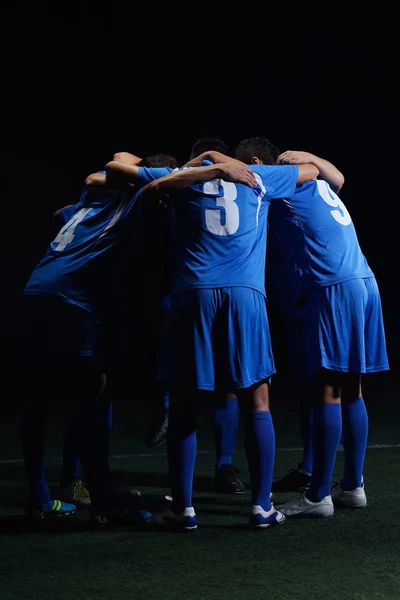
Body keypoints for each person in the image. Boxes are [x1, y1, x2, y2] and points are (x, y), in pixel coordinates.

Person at [107, 156, 319, 530]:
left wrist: (200, 168)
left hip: (194, 294)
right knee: (258, 397)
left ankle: (183, 510)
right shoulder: (259, 175)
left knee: (185, 401)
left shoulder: (181, 176)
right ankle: (261, 508)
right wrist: (224, 166)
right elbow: (314, 172)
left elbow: (117, 168)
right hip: (246, 295)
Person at [19, 152, 177, 524]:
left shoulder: (97, 196)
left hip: (39, 287)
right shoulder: (138, 196)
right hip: (70, 298)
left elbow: (62, 213)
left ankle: (46, 496)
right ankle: (102, 498)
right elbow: (133, 170)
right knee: (91, 390)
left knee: (44, 395)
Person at [235, 141, 389, 517]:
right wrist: (311, 156)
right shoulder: (315, 179)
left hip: (333, 284)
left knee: (328, 389)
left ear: (255, 163)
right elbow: (337, 175)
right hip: (364, 280)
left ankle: (318, 495)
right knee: (351, 388)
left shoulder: (277, 179)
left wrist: (211, 162)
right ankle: (353, 485)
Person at [143, 136, 245, 495]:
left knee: (202, 386)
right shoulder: (241, 181)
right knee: (227, 387)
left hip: (188, 287)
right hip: (220, 290)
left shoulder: (182, 180)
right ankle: (226, 469)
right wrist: (215, 161)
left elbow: (112, 170)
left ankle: (188, 497)